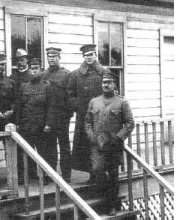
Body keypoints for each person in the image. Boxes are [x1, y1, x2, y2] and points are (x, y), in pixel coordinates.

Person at [84, 72, 134, 215]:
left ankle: (111, 205)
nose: (106, 85)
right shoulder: (94, 102)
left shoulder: (122, 102)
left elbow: (130, 123)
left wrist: (118, 138)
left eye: (109, 82)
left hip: (114, 145)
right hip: (97, 145)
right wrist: (92, 137)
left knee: (113, 175)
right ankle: (104, 201)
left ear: (114, 84)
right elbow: (87, 122)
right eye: (104, 82)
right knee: (98, 170)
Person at [67, 44, 111, 184]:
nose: (89, 57)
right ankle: (92, 174)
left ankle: (102, 173)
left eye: (91, 54)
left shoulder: (104, 72)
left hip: (102, 116)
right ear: (83, 57)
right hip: (84, 116)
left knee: (102, 143)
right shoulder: (76, 74)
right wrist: (79, 107)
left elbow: (113, 92)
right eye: (86, 55)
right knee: (86, 144)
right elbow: (70, 95)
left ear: (95, 55)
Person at [41, 47, 73, 182]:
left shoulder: (66, 74)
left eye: (54, 56)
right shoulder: (43, 75)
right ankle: (50, 174)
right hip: (48, 117)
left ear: (59, 58)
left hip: (62, 116)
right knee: (49, 147)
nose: (52, 59)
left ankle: (66, 175)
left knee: (64, 146)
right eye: (49, 56)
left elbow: (71, 95)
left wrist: (68, 112)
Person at [15, 65, 50, 182]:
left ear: (41, 70)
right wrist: (18, 123)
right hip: (26, 124)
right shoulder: (24, 86)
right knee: (25, 150)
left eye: (36, 68)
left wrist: (48, 124)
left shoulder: (47, 86)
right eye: (31, 69)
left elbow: (51, 107)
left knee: (43, 152)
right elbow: (19, 106)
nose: (34, 71)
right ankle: (28, 174)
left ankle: (45, 175)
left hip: (40, 124)